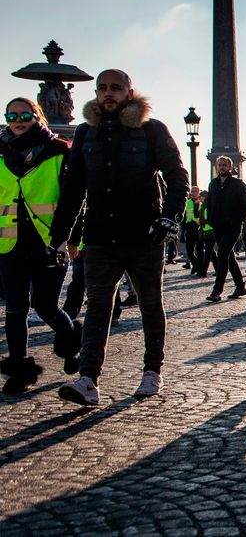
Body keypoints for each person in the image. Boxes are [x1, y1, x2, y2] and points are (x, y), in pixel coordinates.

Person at [52, 69, 189, 405]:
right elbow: (73, 190)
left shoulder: (152, 130)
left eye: (115, 88)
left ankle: (152, 370)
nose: (107, 93)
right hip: (99, 235)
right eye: (102, 88)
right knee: (98, 305)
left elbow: (177, 175)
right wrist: (61, 236)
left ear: (130, 92)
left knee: (150, 304)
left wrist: (170, 217)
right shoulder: (86, 133)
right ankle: (88, 379)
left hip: (144, 234)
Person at [0, 98, 82, 394]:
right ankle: (20, 371)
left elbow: (76, 198)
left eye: (25, 114)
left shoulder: (59, 150)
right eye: (12, 115)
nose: (18, 119)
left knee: (46, 306)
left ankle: (72, 341)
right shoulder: (0, 151)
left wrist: (74, 238)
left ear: (38, 117)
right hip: (9, 243)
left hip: (49, 240)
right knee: (15, 309)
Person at [205, 155, 246, 302]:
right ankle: (240, 286)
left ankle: (217, 289)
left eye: (225, 165)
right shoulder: (213, 184)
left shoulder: (238, 184)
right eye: (220, 165)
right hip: (218, 226)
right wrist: (211, 220)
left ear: (230, 167)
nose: (222, 167)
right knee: (228, 256)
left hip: (233, 226)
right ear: (216, 167)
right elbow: (209, 204)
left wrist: (235, 218)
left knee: (222, 254)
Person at [180, 185, 201, 270]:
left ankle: (198, 267)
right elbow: (184, 217)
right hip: (189, 228)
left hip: (199, 228)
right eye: (192, 191)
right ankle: (196, 264)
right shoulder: (187, 202)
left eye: (195, 191)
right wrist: (183, 229)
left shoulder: (201, 202)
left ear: (198, 193)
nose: (193, 193)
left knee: (200, 250)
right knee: (189, 250)